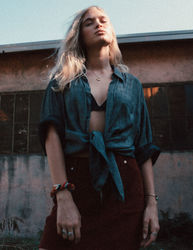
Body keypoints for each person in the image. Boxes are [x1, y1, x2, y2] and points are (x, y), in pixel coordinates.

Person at [38, 5, 161, 250]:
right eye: (89, 22)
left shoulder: (132, 85)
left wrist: (151, 204)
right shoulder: (62, 81)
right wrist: (62, 195)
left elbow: (143, 146)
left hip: (125, 184)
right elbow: (51, 136)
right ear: (79, 35)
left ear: (112, 32)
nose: (98, 24)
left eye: (103, 20)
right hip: (76, 181)